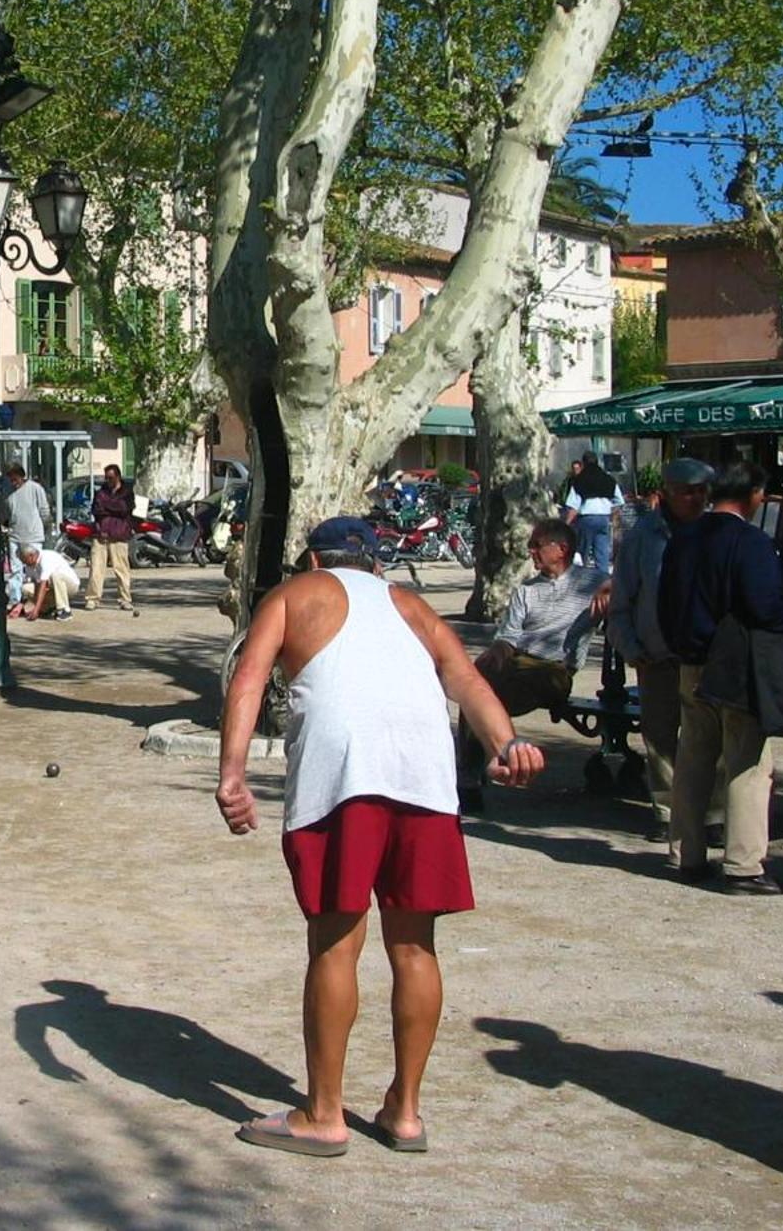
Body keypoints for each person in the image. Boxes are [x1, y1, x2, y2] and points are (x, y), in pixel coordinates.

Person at [217, 516, 542, 1157]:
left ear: (313, 557)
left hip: (344, 777)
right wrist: (508, 742)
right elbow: (467, 680)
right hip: (423, 776)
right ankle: (407, 1111)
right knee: (416, 946)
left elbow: (249, 678)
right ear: (376, 564)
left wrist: (233, 774)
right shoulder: (409, 604)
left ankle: (323, 1114)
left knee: (335, 945)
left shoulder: (292, 595)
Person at [657, 460, 783, 895]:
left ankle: (686, 854)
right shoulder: (749, 542)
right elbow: (762, 604)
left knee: (693, 759)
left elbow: (666, 599)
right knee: (748, 761)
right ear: (754, 494)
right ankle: (743, 864)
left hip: (690, 660)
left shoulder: (684, 537)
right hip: (734, 664)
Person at [455, 516, 608, 813]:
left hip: (555, 669)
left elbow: (630, 579)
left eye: (536, 545)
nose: (531, 552)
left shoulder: (591, 581)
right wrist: (496, 651)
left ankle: (475, 768)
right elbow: (509, 635)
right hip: (518, 663)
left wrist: (610, 586)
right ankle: (469, 776)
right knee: (473, 688)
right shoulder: (527, 590)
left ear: (561, 549)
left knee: (492, 687)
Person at [610, 458, 715, 835]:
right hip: (656, 656)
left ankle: (713, 816)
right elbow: (622, 600)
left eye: (702, 491)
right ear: (666, 494)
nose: (696, 498)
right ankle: (669, 814)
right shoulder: (642, 539)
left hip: (706, 656)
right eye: (688, 491)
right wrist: (630, 646)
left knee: (710, 738)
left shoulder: (715, 533)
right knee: (660, 737)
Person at [84, 463, 137, 613]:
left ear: (118, 476)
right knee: (96, 569)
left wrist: (109, 507)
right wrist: (113, 508)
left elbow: (124, 509)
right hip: (101, 534)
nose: (108, 481)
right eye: (106, 478)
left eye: (111, 478)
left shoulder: (127, 493)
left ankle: (125, 599)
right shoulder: (101, 492)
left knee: (122, 570)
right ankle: (92, 599)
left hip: (119, 535)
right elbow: (97, 509)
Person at [562, 451, 619, 572]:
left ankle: (579, 581)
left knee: (582, 553)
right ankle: (602, 582)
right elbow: (618, 502)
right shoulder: (609, 479)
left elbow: (573, 506)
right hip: (604, 519)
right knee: (602, 554)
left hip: (586, 519)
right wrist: (614, 522)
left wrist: (565, 525)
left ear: (583, 464)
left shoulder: (579, 480)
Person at [14, 543, 79, 621]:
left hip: (70, 586)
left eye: (24, 560)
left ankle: (64, 610)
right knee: (26, 588)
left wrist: (36, 610)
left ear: (31, 556)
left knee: (55, 576)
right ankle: (48, 607)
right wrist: (20, 606)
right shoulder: (29, 566)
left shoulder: (47, 558)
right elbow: (37, 584)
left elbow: (43, 586)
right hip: (53, 587)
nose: (23, 563)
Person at [4, 463, 53, 555]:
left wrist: (43, 527)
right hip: (15, 537)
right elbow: (8, 513)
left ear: (21, 476)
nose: (13, 483)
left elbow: (44, 510)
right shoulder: (9, 492)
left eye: (15, 479)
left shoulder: (35, 488)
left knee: (33, 566)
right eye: (11, 480)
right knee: (16, 568)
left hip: (33, 537)